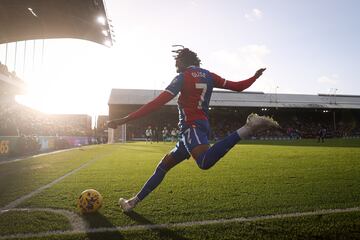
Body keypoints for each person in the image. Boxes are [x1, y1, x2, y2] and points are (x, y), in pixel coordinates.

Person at [108, 46, 280, 212]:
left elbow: (156, 103)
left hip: (192, 127)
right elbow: (238, 86)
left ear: (183, 60)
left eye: (177, 61)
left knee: (204, 162)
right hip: (195, 128)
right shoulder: (209, 75)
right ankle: (132, 202)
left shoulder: (183, 77)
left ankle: (249, 127)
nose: (175, 65)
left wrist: (124, 119)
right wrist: (254, 77)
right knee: (163, 166)